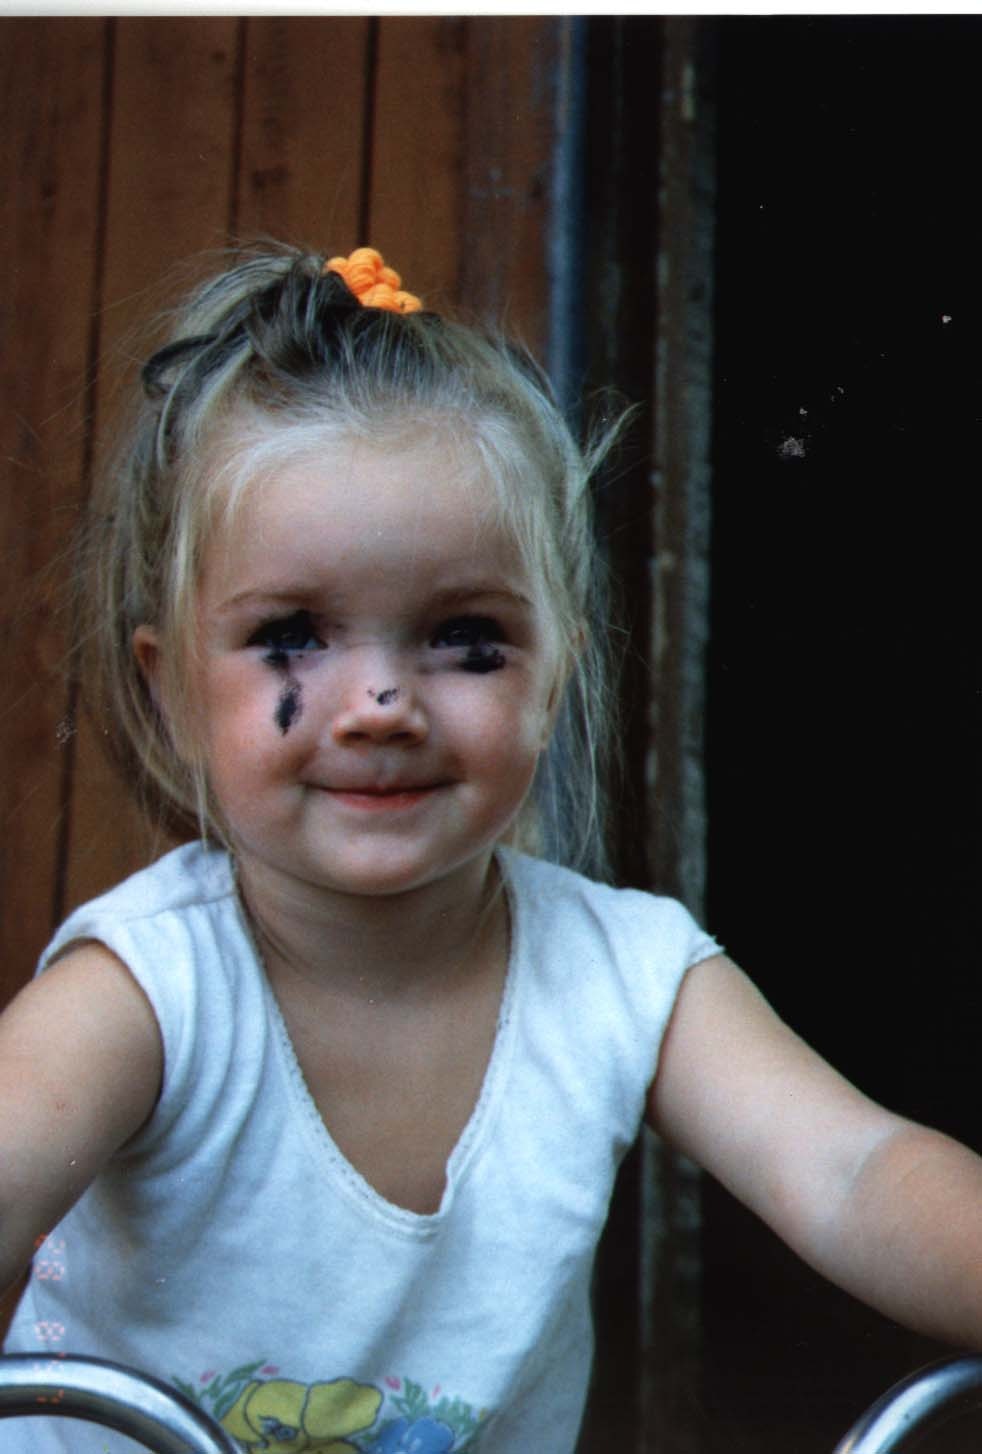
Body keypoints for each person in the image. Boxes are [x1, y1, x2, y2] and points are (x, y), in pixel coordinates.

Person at [1, 243, 981, 1454]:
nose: (380, 704)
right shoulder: (148, 988)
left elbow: (852, 1170)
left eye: (464, 635)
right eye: (292, 634)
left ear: (553, 675)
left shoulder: (623, 974)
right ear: (172, 693)